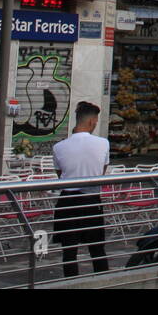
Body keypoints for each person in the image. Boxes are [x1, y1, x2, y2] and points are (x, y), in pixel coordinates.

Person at [52, 101, 110, 278]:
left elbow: (59, 173)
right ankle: (103, 281)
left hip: (67, 201)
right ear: (92, 121)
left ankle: (71, 282)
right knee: (97, 248)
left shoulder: (58, 147)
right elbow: (102, 171)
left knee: (69, 251)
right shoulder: (103, 143)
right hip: (91, 200)